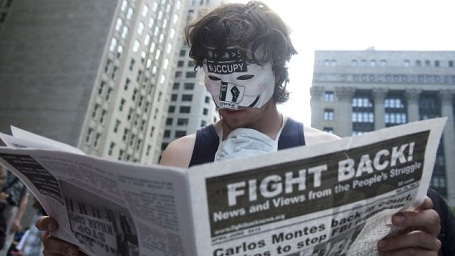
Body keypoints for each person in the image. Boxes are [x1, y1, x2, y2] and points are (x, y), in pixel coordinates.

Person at [36, 1, 453, 255]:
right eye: (216, 77)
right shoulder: (181, 153)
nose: (229, 97)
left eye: (244, 77)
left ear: (276, 72)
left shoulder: (325, 149)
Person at [0, 165, 29, 256]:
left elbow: (24, 199)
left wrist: (17, 219)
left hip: (12, 208)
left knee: (6, 239)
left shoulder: (25, 177)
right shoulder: (5, 168)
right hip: (1, 202)